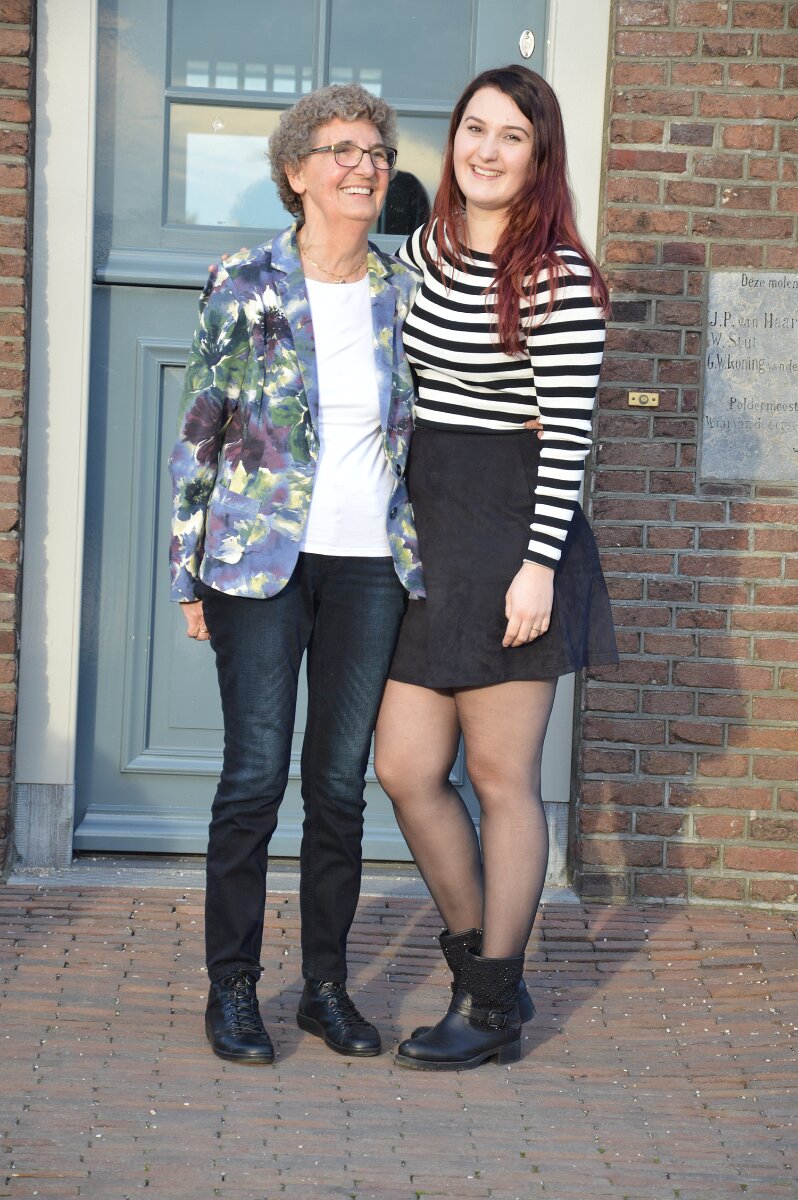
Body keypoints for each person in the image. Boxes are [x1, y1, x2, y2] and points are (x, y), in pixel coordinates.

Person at [169, 83, 422, 1065]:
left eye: (377, 151)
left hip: (370, 568)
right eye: (343, 150)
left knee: (339, 787)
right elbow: (201, 433)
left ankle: (324, 988)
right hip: (258, 564)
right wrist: (187, 571)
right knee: (253, 777)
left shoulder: (404, 291)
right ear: (296, 171)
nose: (365, 166)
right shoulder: (243, 282)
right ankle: (232, 987)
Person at [374, 65, 618, 1071]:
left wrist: (538, 567)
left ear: (539, 156)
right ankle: (489, 976)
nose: (486, 149)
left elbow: (568, 439)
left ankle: (486, 1003)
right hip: (427, 528)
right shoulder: (424, 251)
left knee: (500, 775)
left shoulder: (559, 278)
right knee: (404, 768)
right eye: (474, 127)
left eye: (511, 135)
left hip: (513, 529)